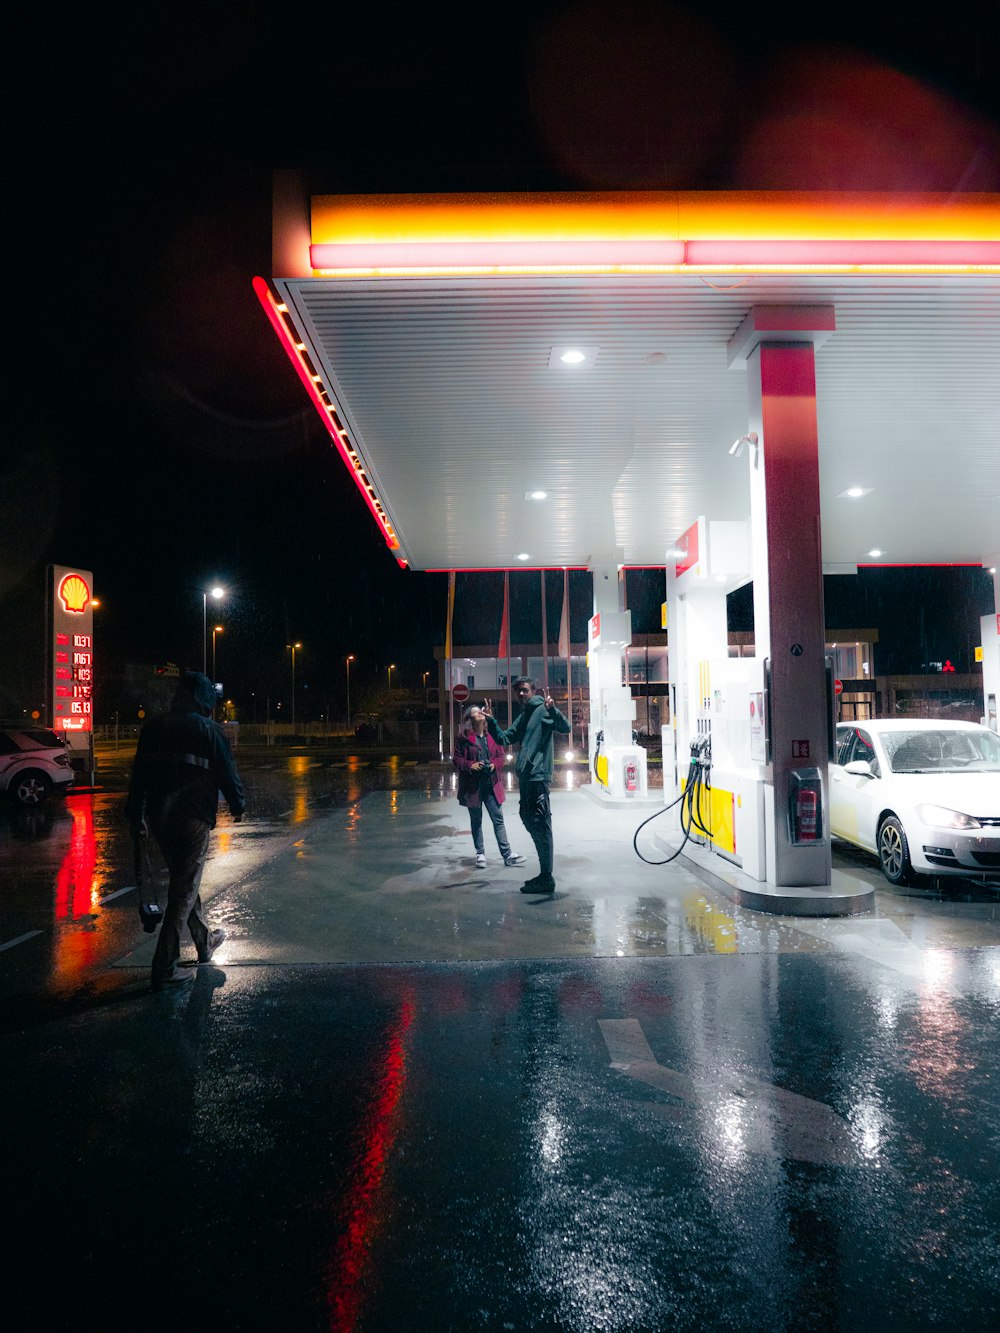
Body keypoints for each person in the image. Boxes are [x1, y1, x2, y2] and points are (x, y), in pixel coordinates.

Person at [125, 670, 246, 991]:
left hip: (159, 818)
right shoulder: (210, 731)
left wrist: (134, 813)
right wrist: (238, 804)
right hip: (193, 817)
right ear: (202, 698)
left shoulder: (153, 728)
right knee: (183, 889)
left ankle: (205, 941)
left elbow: (139, 776)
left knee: (184, 879)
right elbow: (227, 773)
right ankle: (164, 966)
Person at [484, 677, 571, 894]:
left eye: (524, 690)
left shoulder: (542, 709)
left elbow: (566, 727)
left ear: (533, 691)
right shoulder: (525, 715)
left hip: (538, 776)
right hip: (527, 777)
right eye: (517, 692)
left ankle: (546, 877)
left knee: (541, 824)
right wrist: (492, 721)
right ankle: (544, 873)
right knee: (529, 818)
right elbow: (505, 738)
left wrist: (553, 710)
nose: (521, 694)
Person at [453, 704, 526, 870]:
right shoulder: (465, 737)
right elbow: (456, 759)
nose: (480, 713)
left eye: (481, 711)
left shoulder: (491, 735)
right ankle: (480, 854)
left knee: (498, 820)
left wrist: (494, 765)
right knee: (476, 820)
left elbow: (501, 757)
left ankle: (507, 855)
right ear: (470, 719)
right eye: (477, 712)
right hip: (473, 786)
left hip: (492, 785)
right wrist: (471, 765)